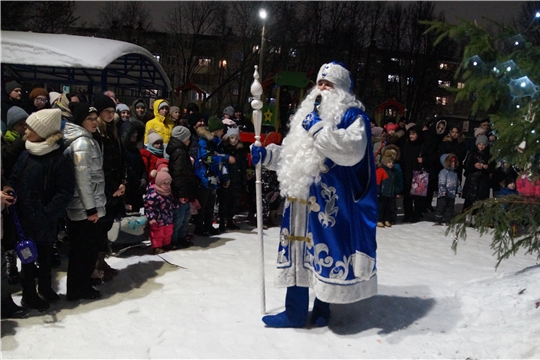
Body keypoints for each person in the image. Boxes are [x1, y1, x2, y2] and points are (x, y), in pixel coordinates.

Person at [251, 61, 378, 328]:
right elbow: (291, 152)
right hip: (298, 200)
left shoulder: (353, 118)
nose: (321, 88)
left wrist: (318, 127)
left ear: (341, 89)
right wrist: (268, 155)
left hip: (330, 203)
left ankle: (323, 308)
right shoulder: (306, 115)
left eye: (328, 84)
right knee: (298, 253)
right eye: (319, 83)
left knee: (325, 254)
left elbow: (350, 150)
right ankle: (294, 312)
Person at [9, 109, 75, 310]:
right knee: (27, 259)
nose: (25, 131)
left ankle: (45, 288)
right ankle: (29, 293)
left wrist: (47, 213)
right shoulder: (26, 153)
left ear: (43, 132)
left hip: (45, 218)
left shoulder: (58, 158)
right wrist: (9, 189)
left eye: (30, 127)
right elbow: (14, 177)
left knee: (46, 257)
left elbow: (65, 191)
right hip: (23, 216)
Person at [63, 103, 106, 301]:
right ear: (81, 121)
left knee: (85, 250)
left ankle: (82, 284)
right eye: (90, 118)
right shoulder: (82, 143)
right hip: (85, 209)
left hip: (88, 207)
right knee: (83, 251)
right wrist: (91, 209)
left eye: (95, 118)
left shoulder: (87, 140)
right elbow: (83, 179)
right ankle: (78, 288)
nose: (94, 121)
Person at [92, 94, 127, 281]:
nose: (111, 115)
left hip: (114, 188)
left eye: (113, 112)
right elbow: (100, 166)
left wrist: (123, 182)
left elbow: (121, 161)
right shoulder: (97, 135)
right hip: (103, 189)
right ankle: (95, 263)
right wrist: (112, 187)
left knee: (105, 227)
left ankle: (101, 260)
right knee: (98, 230)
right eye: (107, 111)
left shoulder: (114, 133)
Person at [193, 116, 235, 236]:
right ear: (216, 130)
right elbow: (207, 158)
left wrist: (224, 177)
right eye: (222, 130)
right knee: (203, 203)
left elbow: (218, 158)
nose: (223, 132)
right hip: (203, 176)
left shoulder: (217, 142)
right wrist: (226, 158)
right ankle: (199, 227)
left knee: (211, 203)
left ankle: (208, 225)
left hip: (213, 177)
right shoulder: (204, 141)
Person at [166, 125, 198, 249]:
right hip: (181, 191)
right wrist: (181, 193)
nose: (189, 141)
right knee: (179, 218)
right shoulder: (179, 152)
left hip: (185, 190)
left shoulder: (182, 151)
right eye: (188, 138)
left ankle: (181, 238)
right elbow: (178, 173)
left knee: (185, 217)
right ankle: (174, 240)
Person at [217, 127, 247, 232]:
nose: (233, 140)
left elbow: (243, 165)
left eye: (235, 138)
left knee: (234, 202)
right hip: (226, 178)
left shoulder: (240, 150)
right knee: (224, 201)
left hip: (236, 179)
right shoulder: (224, 149)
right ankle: (222, 222)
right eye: (231, 138)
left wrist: (244, 179)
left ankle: (230, 220)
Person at [144, 166, 178, 254]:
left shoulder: (169, 193)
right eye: (164, 183)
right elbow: (149, 207)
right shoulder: (154, 194)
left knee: (168, 232)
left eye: (168, 183)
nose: (167, 185)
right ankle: (157, 247)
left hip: (168, 218)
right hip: (158, 220)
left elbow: (172, 203)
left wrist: (178, 204)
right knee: (158, 234)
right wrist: (151, 218)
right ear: (158, 183)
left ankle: (166, 244)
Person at [462, 135, 493, 214]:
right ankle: (466, 216)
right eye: (480, 144)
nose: (481, 146)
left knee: (480, 202)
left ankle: (476, 217)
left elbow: (493, 167)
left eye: (483, 144)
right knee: (469, 201)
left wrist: (487, 167)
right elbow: (466, 165)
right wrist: (474, 166)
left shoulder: (489, 155)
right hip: (472, 181)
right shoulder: (472, 153)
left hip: (483, 182)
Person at [433, 154, 461, 226]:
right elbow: (441, 182)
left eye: (454, 162)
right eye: (451, 162)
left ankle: (448, 220)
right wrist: (443, 190)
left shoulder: (455, 173)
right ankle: (438, 219)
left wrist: (459, 189)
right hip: (443, 194)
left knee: (450, 207)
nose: (453, 164)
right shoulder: (443, 172)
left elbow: (457, 182)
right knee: (441, 207)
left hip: (452, 194)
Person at [376, 155, 400, 228]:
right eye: (389, 162)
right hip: (382, 193)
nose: (391, 164)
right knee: (381, 207)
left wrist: (397, 192)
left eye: (392, 162)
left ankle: (387, 219)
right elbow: (377, 182)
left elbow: (395, 183)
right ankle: (379, 219)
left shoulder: (393, 172)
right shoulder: (380, 171)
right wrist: (377, 191)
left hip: (390, 194)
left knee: (389, 208)